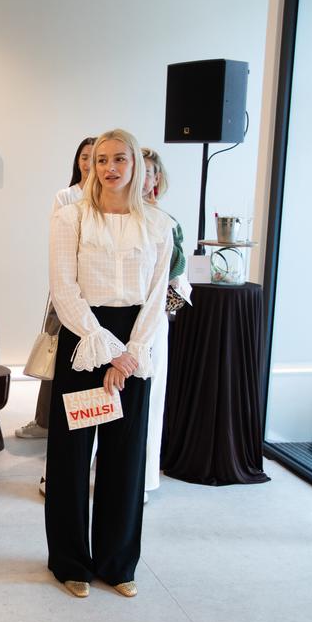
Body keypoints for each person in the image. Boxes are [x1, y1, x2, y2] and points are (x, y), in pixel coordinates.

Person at [45, 129, 173, 599]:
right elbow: (63, 289)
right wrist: (108, 350)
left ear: (136, 164)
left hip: (135, 341)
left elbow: (157, 298)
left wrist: (130, 354)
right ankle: (70, 561)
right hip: (84, 339)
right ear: (91, 165)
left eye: (120, 158)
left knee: (125, 456)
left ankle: (118, 563)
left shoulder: (158, 223)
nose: (110, 168)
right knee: (72, 457)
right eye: (101, 159)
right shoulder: (71, 217)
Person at [17, 136, 95, 444]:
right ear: (78, 161)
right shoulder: (67, 196)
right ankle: (44, 421)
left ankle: (81, 424)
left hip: (96, 293)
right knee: (55, 353)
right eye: (85, 157)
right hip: (67, 288)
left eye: (97, 157)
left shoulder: (110, 199)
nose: (90, 163)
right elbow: (61, 244)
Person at [140, 146, 189, 495]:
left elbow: (176, 269)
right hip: (109, 318)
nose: (142, 179)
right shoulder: (104, 216)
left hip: (153, 316)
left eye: (149, 172)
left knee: (151, 398)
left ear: (157, 178)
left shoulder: (167, 222)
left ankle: (143, 479)